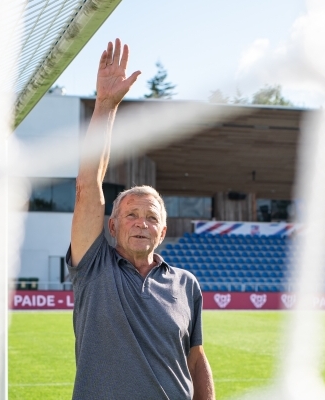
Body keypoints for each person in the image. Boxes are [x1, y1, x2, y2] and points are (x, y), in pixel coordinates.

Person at [66, 39, 215, 400]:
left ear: (163, 232)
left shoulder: (186, 284)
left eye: (151, 217)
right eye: (131, 214)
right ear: (112, 226)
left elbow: (195, 359)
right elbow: (88, 186)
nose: (141, 222)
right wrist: (105, 106)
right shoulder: (94, 267)